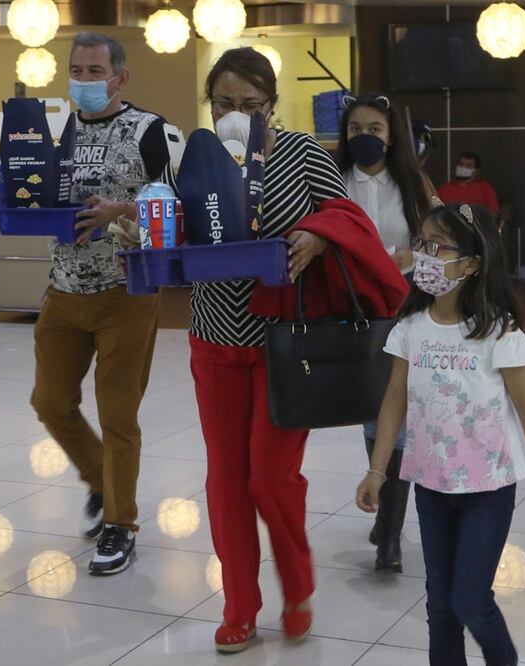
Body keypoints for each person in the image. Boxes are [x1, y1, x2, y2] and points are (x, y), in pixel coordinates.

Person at [356, 203, 525, 666]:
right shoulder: (410, 327)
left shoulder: (496, 330)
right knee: (440, 606)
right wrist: (377, 471)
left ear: (471, 264)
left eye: (438, 247)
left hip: (487, 487)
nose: (425, 256)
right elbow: (394, 400)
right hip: (430, 483)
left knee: (471, 600)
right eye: (422, 244)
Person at [190, 47, 349, 654]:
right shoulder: (197, 155)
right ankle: (239, 606)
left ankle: (298, 586)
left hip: (286, 343)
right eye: (224, 104)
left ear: (272, 106)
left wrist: (315, 233)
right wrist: (139, 222)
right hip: (213, 338)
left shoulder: (302, 154)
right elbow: (179, 226)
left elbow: (346, 218)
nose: (235, 115)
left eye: (250, 106)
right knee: (226, 481)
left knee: (270, 477)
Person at [29, 31, 173, 576]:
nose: (85, 81)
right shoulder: (51, 132)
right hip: (62, 292)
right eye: (77, 70)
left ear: (121, 77)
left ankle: (120, 523)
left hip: (125, 293)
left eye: (95, 71)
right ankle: (99, 479)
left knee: (118, 416)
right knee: (50, 401)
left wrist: (123, 210)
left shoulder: (151, 131)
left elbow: (177, 202)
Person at [336, 92, 435, 573]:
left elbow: (442, 238)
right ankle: (385, 504)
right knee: (371, 415)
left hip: (407, 311)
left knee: (398, 415)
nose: (365, 138)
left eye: (374, 129)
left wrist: (412, 256)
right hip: (353, 313)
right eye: (356, 129)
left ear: (392, 135)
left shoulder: (414, 184)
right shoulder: (332, 181)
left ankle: (390, 534)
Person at [437, 152, 500, 216]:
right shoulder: (445, 187)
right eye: (461, 164)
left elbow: (493, 214)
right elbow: (434, 211)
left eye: (468, 166)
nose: (463, 167)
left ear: (476, 171)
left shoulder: (485, 189)